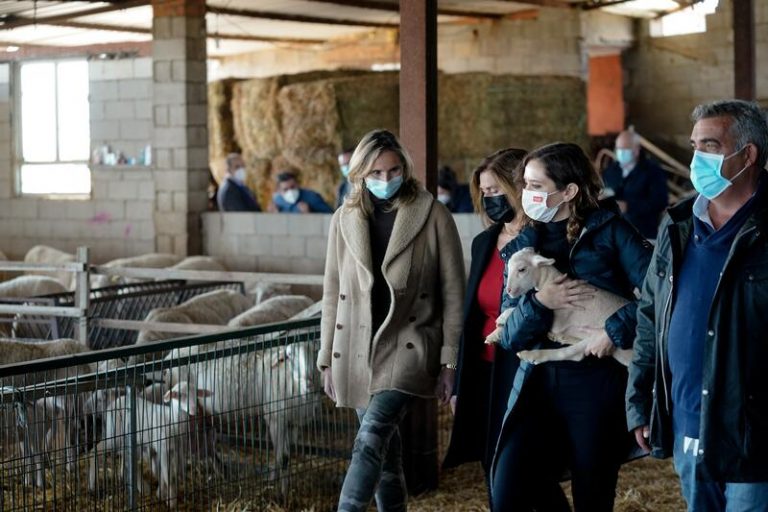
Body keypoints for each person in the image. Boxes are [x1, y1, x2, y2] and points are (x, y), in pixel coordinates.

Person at [489, 142, 652, 512]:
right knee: (508, 489)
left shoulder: (612, 231)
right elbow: (511, 335)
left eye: (535, 186)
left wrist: (614, 329)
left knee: (592, 493)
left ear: (569, 191)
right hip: (535, 380)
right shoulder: (523, 244)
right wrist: (541, 303)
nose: (526, 195)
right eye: (525, 185)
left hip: (596, 380)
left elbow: (663, 292)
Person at [626, 100, 768, 511]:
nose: (696, 159)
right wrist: (639, 401)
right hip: (688, 421)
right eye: (694, 147)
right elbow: (651, 317)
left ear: (748, 154)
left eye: (709, 145)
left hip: (752, 434)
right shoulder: (678, 224)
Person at [317, 129, 465, 512]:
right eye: (376, 173)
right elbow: (332, 292)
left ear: (405, 168)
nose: (386, 180)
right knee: (386, 451)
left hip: (410, 344)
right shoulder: (343, 219)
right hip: (356, 349)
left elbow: (453, 293)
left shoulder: (432, 215)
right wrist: (326, 359)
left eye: (394, 170)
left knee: (371, 437)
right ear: (360, 174)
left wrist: (450, 362)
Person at [443, 148, 527, 486]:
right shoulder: (483, 243)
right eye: (485, 192)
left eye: (496, 190)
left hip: (525, 371)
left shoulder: (547, 242)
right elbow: (471, 316)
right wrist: (459, 382)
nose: (490, 199)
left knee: (519, 469)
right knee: (492, 464)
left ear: (519, 187)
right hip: (484, 370)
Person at [602, 129, 669, 240]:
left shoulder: (653, 171)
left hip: (643, 233)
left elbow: (660, 202)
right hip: (614, 232)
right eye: (618, 149)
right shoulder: (611, 170)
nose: (621, 152)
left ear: (636, 150)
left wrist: (629, 206)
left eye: (625, 149)